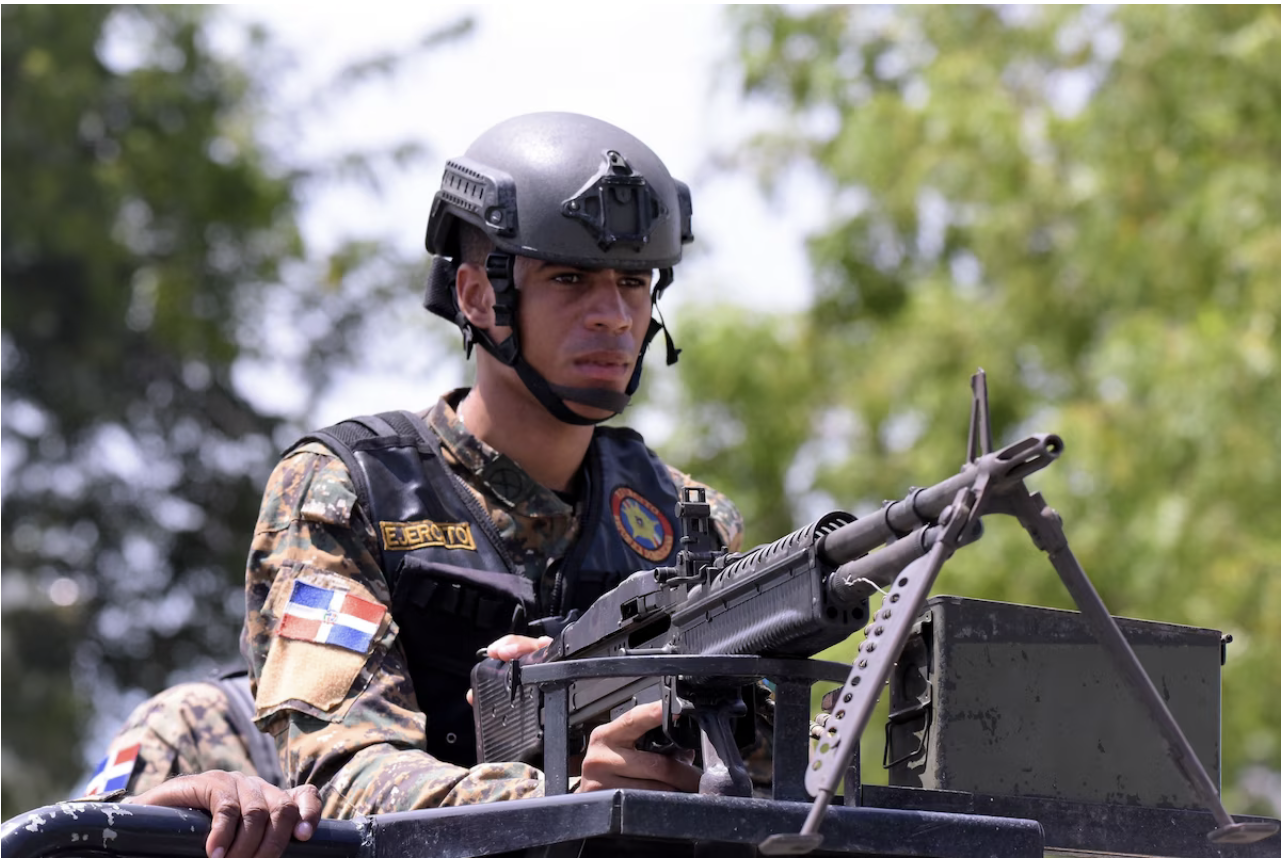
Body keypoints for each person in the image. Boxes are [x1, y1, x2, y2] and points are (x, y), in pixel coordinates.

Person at [241, 112, 744, 818]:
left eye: (634, 283)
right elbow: (338, 770)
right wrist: (567, 800)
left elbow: (781, 752)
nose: (615, 316)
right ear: (479, 297)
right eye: (570, 278)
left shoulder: (690, 519)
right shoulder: (347, 491)